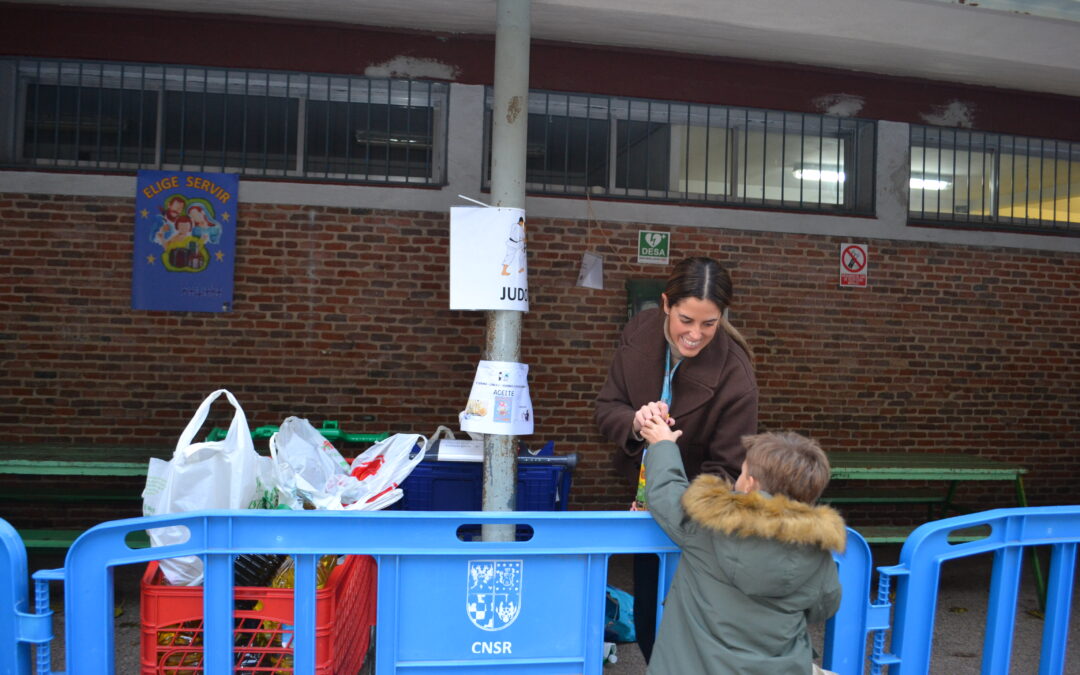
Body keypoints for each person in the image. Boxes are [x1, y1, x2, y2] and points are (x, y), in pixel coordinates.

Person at [594, 256, 758, 661]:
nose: (695, 334)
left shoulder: (736, 374)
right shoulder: (638, 333)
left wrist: (677, 495)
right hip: (641, 502)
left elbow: (729, 468)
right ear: (666, 303)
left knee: (689, 626)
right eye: (686, 319)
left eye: (709, 323)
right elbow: (605, 408)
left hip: (695, 517)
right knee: (651, 616)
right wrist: (635, 422)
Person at [639, 425, 845, 675]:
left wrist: (663, 444)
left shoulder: (708, 525)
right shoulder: (817, 549)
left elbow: (666, 492)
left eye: (742, 471)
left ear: (750, 484)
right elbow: (824, 606)